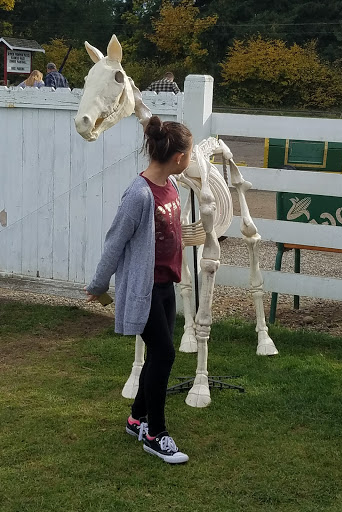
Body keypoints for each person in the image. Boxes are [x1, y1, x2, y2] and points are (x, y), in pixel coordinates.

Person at [85, 115, 192, 464]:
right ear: (178, 157)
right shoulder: (138, 194)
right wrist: (99, 285)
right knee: (164, 355)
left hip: (165, 287)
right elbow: (115, 242)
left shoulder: (172, 187)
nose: (189, 158)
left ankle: (136, 418)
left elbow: (168, 233)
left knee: (160, 353)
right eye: (189, 153)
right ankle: (155, 434)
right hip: (142, 291)